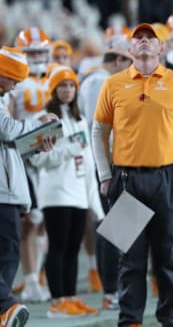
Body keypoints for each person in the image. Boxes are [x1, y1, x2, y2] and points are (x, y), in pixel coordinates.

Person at [91, 23, 173, 327]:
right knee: (129, 259)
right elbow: (98, 131)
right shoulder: (113, 84)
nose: (144, 42)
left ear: (161, 48)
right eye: (138, 39)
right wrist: (105, 173)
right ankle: (130, 320)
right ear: (130, 50)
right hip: (126, 179)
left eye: (150, 39)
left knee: (168, 257)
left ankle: (171, 320)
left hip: (166, 178)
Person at [29, 65, 103, 318]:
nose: (67, 90)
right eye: (62, 85)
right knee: (58, 246)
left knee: (73, 248)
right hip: (55, 192)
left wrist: (94, 201)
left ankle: (70, 298)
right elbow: (38, 159)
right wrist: (70, 149)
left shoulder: (80, 119)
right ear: (53, 89)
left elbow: (90, 161)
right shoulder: (45, 117)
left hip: (78, 193)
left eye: (71, 85)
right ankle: (57, 302)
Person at [0, 45, 57, 327]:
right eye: (12, 79)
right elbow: (7, 130)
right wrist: (38, 124)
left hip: (7, 188)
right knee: (6, 250)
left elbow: (9, 144)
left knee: (8, 252)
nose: (14, 86)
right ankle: (4, 306)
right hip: (2, 190)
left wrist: (36, 142)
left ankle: (3, 310)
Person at [78, 31, 133, 311]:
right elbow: (97, 128)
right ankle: (111, 289)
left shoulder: (101, 80)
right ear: (119, 58)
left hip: (116, 159)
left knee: (120, 226)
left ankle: (116, 287)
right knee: (112, 227)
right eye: (127, 59)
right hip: (108, 162)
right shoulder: (101, 81)